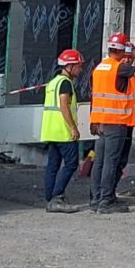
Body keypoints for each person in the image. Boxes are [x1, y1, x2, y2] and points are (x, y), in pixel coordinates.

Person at [86, 31, 135, 215]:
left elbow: (98, 96)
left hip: (102, 122)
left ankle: (97, 198)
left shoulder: (100, 68)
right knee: (110, 162)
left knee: (100, 162)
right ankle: (106, 201)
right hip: (116, 122)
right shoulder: (118, 68)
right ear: (122, 51)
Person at [38, 48, 90, 212]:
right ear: (69, 66)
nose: (80, 70)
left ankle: (50, 198)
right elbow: (63, 105)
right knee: (71, 164)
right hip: (63, 132)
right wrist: (73, 127)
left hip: (51, 131)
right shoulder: (65, 83)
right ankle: (57, 196)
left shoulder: (54, 82)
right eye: (78, 66)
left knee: (53, 165)